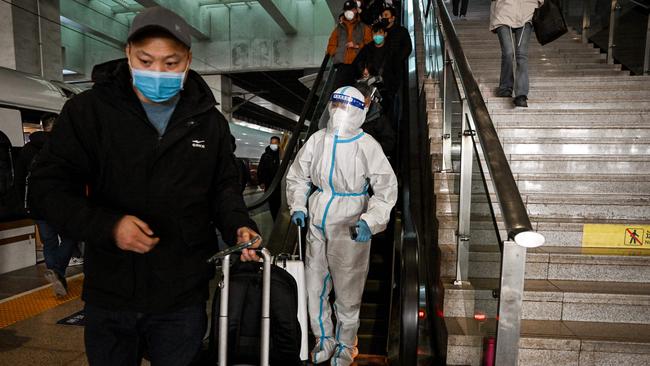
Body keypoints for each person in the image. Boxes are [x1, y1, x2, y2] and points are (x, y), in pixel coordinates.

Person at [29, 7, 261, 366]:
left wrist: (239, 226)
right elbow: (48, 189)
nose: (158, 73)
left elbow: (223, 188)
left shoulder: (208, 122)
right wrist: (108, 226)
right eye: (146, 60)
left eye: (170, 63)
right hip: (111, 292)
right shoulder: (88, 112)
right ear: (128, 54)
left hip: (181, 294)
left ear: (187, 60)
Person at [286, 86, 398, 366]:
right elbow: (298, 177)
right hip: (318, 217)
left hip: (350, 221)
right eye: (336, 107)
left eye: (347, 108)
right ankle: (324, 339)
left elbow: (386, 190)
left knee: (348, 290)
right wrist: (298, 205)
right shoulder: (317, 140)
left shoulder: (367, 145)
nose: (340, 114)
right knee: (315, 286)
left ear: (360, 112)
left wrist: (369, 221)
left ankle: (347, 344)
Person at [14, 114, 79, 297]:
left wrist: (23, 203)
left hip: (37, 206)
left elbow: (18, 179)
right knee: (69, 237)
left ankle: (55, 274)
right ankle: (58, 271)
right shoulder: (66, 146)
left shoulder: (27, 149)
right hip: (62, 204)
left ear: (42, 127)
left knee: (49, 242)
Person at [490, 0, 544, 107]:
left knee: (521, 54)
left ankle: (521, 94)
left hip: (527, 12)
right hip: (503, 12)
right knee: (508, 52)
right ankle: (505, 87)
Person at [352, 22, 400, 128]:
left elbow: (397, 70)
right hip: (370, 89)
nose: (377, 36)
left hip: (386, 89)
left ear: (385, 34)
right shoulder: (367, 48)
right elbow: (356, 63)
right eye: (374, 34)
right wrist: (363, 70)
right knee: (370, 115)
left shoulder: (392, 50)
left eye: (380, 33)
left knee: (385, 116)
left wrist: (393, 87)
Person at [327, 1, 372, 90]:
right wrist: (337, 53)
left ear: (356, 10)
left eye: (351, 9)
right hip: (342, 65)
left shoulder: (364, 27)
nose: (348, 12)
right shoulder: (338, 28)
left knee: (355, 90)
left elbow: (370, 45)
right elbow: (331, 45)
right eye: (346, 10)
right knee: (339, 90)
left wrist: (357, 46)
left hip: (357, 65)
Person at [257, 135, 282, 220]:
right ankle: (275, 220)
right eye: (272, 143)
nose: (273, 145)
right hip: (269, 184)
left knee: (279, 202)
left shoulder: (282, 155)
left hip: (280, 184)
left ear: (279, 144)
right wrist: (261, 182)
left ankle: (279, 218)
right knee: (272, 203)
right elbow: (260, 169)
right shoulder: (265, 155)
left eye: (275, 143)